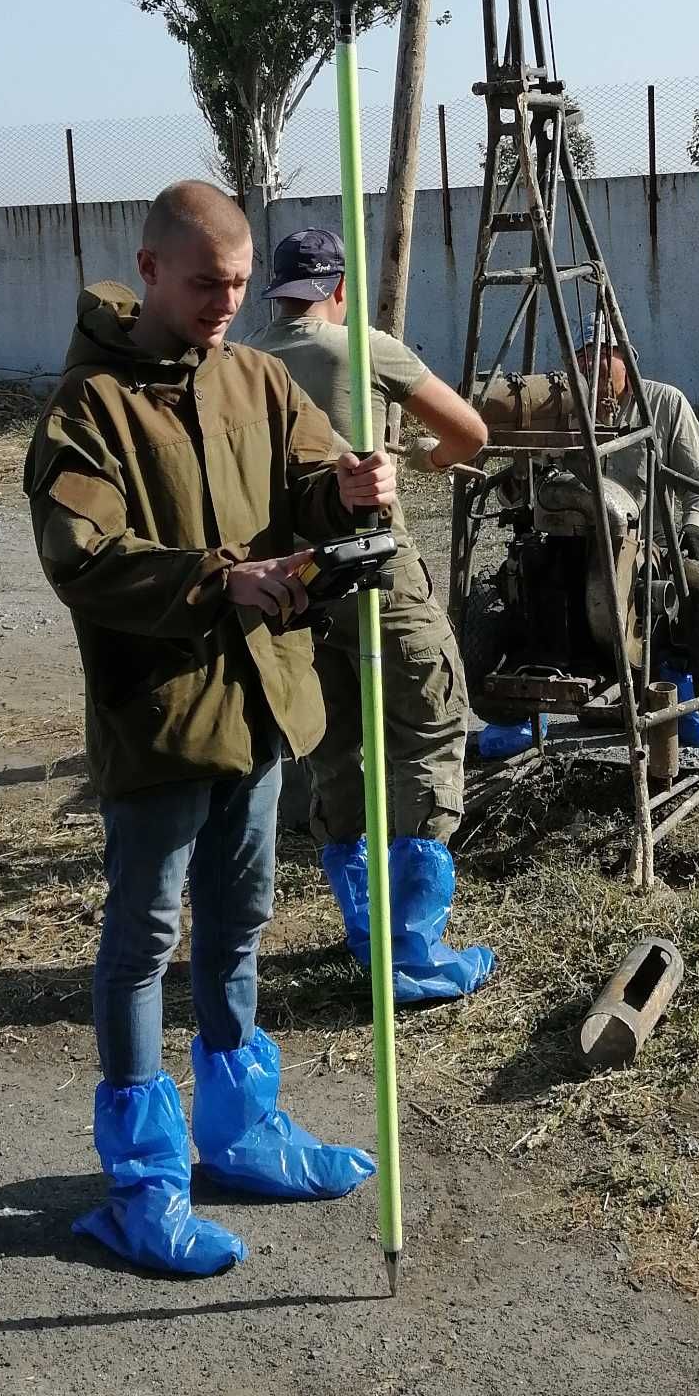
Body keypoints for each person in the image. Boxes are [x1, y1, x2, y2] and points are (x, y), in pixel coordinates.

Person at [24, 180, 391, 1278]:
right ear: (147, 271)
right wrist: (222, 582)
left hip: (265, 706)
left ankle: (238, 1130)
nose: (225, 302)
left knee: (238, 925)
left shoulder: (255, 379)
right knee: (143, 941)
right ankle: (143, 1181)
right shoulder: (87, 411)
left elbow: (307, 484)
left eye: (236, 283)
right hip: (163, 718)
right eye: (204, 284)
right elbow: (80, 560)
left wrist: (347, 495)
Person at [253, 225, 496, 1005]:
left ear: (274, 290)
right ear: (339, 291)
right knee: (429, 722)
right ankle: (414, 952)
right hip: (376, 575)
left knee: (336, 748)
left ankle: (367, 934)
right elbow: (469, 432)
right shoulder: (360, 345)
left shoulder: (242, 363)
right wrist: (420, 461)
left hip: (295, 584)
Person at [574, 342, 699, 560]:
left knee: (694, 585)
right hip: (574, 542)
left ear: (626, 360)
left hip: (647, 544)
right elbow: (523, 488)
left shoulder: (666, 402)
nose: (590, 363)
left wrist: (696, 525)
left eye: (602, 353)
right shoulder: (558, 409)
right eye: (582, 355)